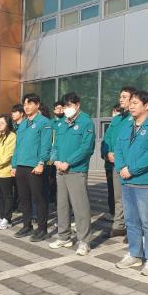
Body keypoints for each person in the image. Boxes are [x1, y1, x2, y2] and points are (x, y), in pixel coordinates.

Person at [114, 90, 148, 275]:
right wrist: (121, 168)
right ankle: (134, 254)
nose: (131, 106)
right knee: (131, 222)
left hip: (146, 183)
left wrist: (132, 170)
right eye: (131, 103)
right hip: (127, 182)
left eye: (135, 103)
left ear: (147, 106)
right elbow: (118, 149)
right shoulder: (127, 127)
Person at [48, 92, 96, 256]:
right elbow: (55, 145)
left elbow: (86, 148)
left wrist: (68, 162)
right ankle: (64, 237)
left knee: (80, 206)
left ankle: (84, 241)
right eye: (65, 106)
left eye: (69, 105)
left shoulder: (86, 122)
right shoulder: (62, 123)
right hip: (60, 169)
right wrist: (55, 160)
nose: (66, 109)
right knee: (61, 205)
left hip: (76, 170)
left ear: (77, 105)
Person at [11, 93, 53, 242]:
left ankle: (42, 229)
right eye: (25, 104)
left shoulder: (44, 122)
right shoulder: (22, 124)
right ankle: (26, 225)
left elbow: (46, 145)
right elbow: (17, 146)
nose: (26, 107)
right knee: (24, 198)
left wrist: (41, 162)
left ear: (37, 105)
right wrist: (14, 165)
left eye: (30, 103)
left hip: (35, 166)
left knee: (39, 198)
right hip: (21, 166)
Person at [102, 86, 137, 239]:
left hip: (129, 164)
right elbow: (107, 138)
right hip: (115, 163)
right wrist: (108, 152)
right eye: (120, 97)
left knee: (132, 198)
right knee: (119, 197)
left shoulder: (136, 118)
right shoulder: (116, 119)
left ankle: (133, 229)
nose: (121, 99)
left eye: (124, 97)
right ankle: (119, 226)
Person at [101, 103, 121, 221]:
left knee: (119, 193)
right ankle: (112, 211)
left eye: (117, 112)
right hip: (109, 164)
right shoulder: (111, 126)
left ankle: (119, 216)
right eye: (114, 111)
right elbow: (104, 142)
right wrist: (106, 154)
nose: (115, 114)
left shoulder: (125, 124)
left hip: (119, 164)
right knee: (111, 189)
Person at [11, 103, 26, 213]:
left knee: (21, 185)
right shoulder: (12, 126)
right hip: (12, 157)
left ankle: (22, 205)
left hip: (21, 158)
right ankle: (15, 204)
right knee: (13, 184)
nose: (13, 114)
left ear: (21, 114)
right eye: (12, 112)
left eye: (15, 112)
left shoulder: (25, 126)